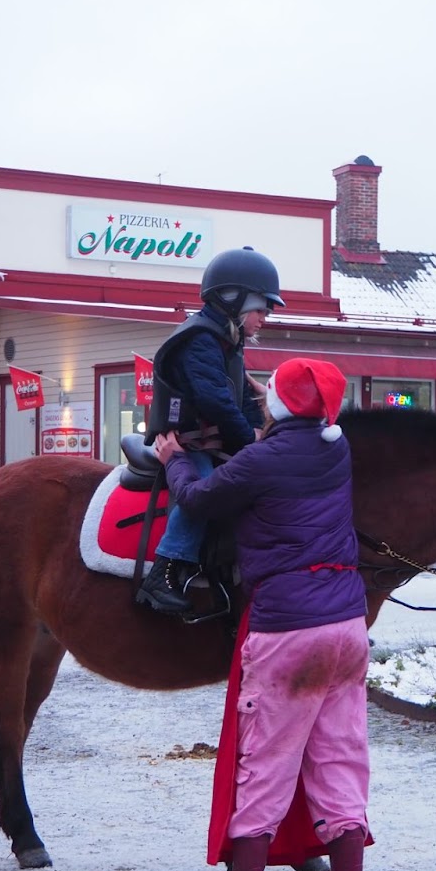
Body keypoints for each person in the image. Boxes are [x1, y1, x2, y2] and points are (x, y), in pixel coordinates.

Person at [155, 356, 372, 871]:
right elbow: (301, 418)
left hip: (288, 626)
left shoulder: (262, 460)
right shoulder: (335, 448)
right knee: (340, 752)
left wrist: (176, 460)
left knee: (268, 754)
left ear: (277, 405)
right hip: (347, 623)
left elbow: (200, 501)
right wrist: (278, 397)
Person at [137, 246, 280, 615]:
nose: (264, 318)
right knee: (203, 490)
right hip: (186, 442)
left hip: (211, 437)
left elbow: (240, 397)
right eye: (261, 309)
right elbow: (216, 402)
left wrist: (259, 430)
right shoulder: (201, 339)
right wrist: (249, 439)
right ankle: (164, 571)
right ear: (235, 300)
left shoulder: (228, 339)